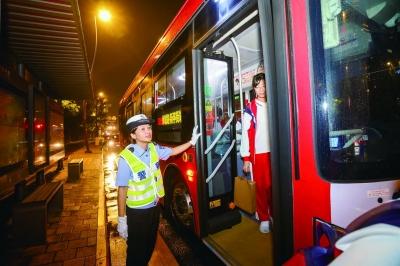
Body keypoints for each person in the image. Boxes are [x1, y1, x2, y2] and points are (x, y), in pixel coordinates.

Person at [115, 114, 201, 265]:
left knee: (149, 247)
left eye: (149, 127)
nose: (148, 131)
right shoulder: (126, 158)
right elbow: (122, 190)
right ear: (133, 135)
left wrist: (191, 142)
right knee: (136, 251)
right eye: (142, 129)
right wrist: (122, 219)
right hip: (137, 213)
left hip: (154, 208)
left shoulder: (153, 148)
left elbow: (173, 152)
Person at [240, 73, 272, 233]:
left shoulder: (274, 103)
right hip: (257, 155)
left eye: (264, 86)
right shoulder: (250, 109)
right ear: (254, 89)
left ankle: (274, 215)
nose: (261, 89)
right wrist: (246, 158)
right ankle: (264, 218)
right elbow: (246, 134)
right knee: (261, 188)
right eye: (258, 87)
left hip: (274, 153)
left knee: (273, 187)